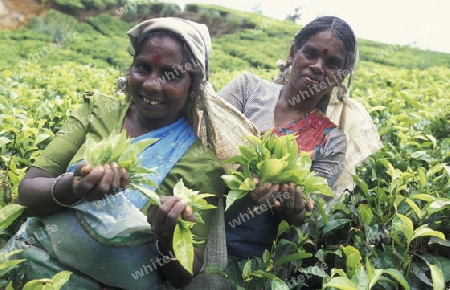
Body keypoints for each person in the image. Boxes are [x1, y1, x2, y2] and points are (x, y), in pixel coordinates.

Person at [1, 17, 256, 290]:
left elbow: (186, 275)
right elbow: (27, 192)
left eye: (171, 74)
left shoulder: (204, 163)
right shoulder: (99, 110)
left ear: (193, 85)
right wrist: (74, 186)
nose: (151, 84)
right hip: (27, 268)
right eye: (143, 68)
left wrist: (167, 237)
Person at [218, 16, 381, 261]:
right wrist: (242, 170)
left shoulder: (332, 141)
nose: (317, 66)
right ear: (293, 53)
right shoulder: (247, 89)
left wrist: (292, 208)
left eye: (332, 62)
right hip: (202, 231)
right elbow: (204, 141)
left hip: (253, 262)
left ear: (340, 76)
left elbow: (308, 214)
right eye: (311, 53)